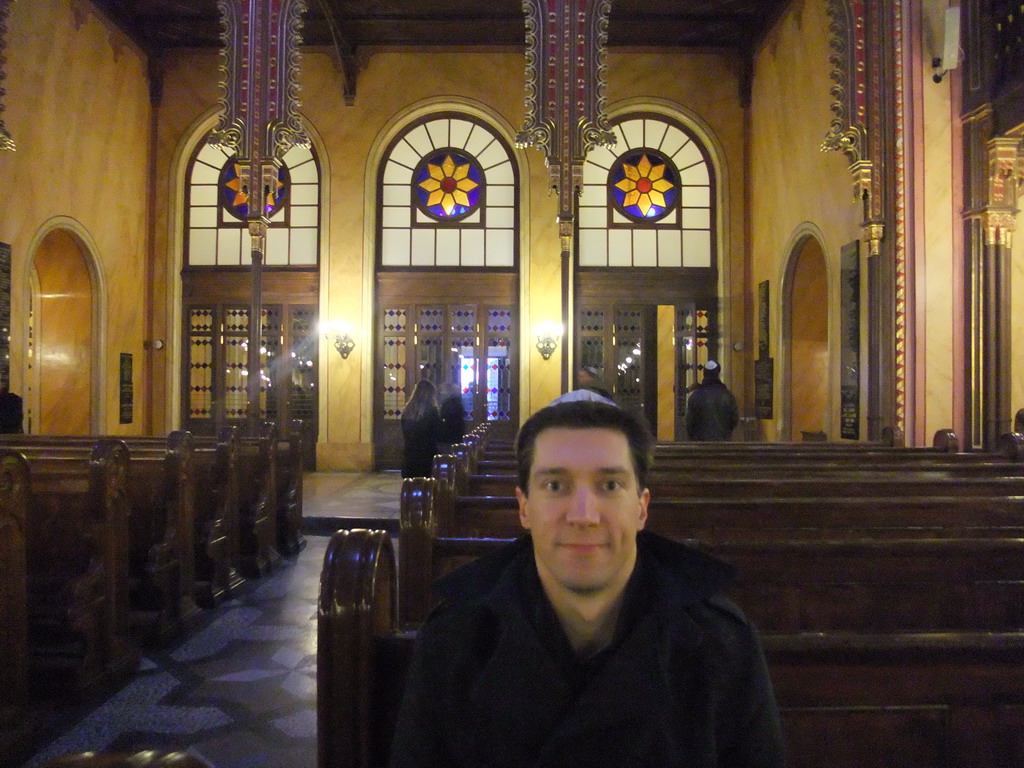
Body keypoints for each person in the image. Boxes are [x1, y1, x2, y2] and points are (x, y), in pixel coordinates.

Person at [389, 400, 785, 767]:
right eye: (555, 486)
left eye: (609, 485)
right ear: (524, 507)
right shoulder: (455, 641)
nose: (583, 515)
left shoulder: (721, 643)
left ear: (642, 508)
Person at [685, 359, 739, 441]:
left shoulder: (696, 396)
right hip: (723, 444)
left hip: (700, 445)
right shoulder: (727, 396)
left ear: (704, 374)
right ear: (718, 373)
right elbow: (734, 419)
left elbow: (689, 422)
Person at [400, 379, 443, 478]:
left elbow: (405, 432)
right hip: (427, 455)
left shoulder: (407, 411)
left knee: (411, 485)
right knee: (426, 486)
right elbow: (437, 432)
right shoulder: (432, 411)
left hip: (410, 455)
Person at [437, 382, 466, 452]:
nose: (441, 393)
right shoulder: (457, 402)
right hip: (456, 436)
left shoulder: (449, 404)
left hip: (449, 437)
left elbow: (445, 418)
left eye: (442, 391)